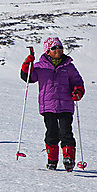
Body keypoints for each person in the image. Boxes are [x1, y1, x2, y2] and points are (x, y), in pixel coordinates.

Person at [20, 37, 85, 171]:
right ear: (47, 51)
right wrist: (27, 63)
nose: (58, 50)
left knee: (66, 132)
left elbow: (78, 82)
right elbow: (28, 77)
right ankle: (52, 160)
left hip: (66, 105)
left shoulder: (69, 67)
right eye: (54, 48)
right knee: (52, 133)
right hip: (47, 105)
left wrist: (78, 91)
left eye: (60, 47)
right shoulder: (39, 66)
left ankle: (69, 159)